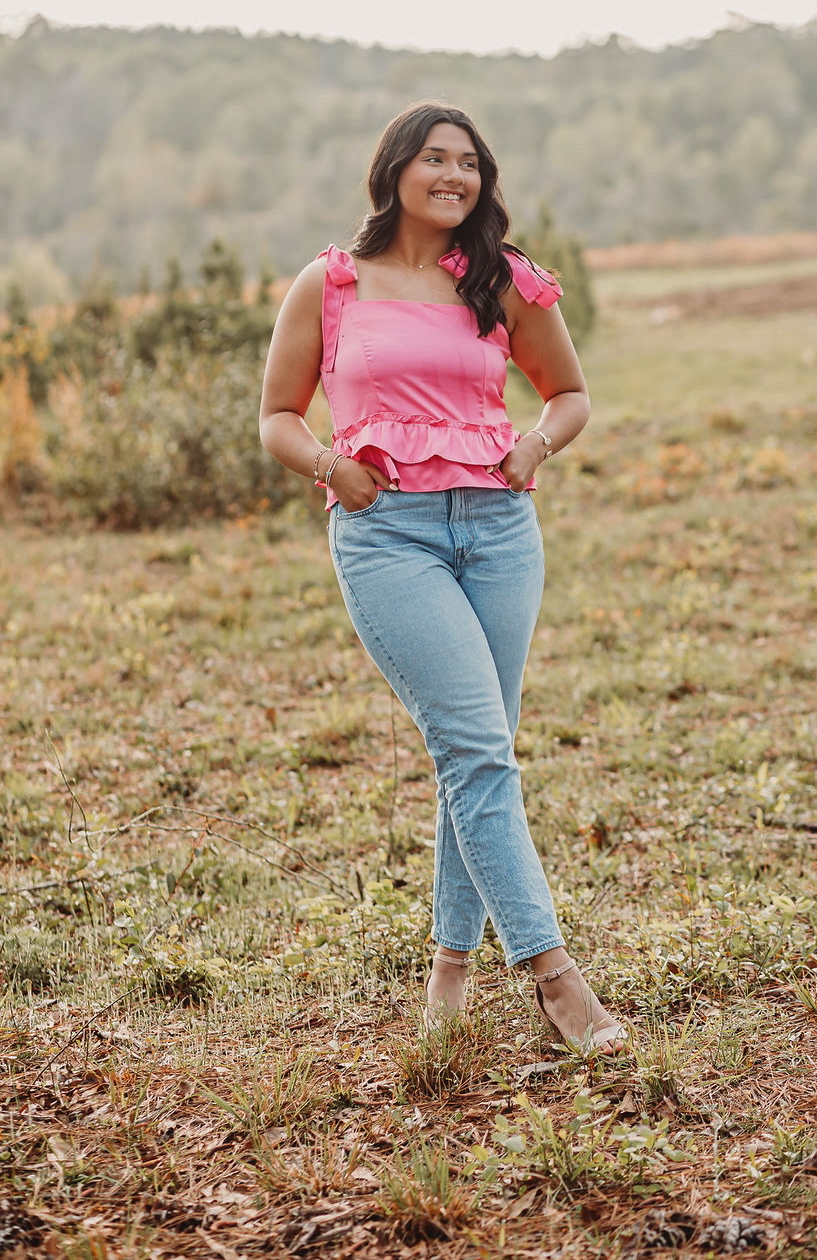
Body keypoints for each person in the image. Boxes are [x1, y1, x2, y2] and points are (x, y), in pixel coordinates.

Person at [259, 101, 625, 1054]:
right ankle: (554, 976)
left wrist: (536, 445)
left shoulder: (502, 283)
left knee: (475, 753)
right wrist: (327, 467)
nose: (455, 177)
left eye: (470, 163)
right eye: (435, 160)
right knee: (477, 751)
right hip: (391, 535)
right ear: (395, 172)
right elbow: (277, 417)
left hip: (500, 531)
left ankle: (448, 979)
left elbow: (572, 393)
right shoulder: (333, 282)